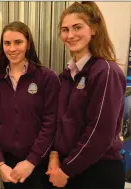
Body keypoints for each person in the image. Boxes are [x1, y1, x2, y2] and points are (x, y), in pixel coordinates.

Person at [47, 2, 126, 188]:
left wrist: (67, 170)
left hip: (98, 171)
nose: (70, 35)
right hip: (70, 167)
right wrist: (55, 155)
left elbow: (100, 132)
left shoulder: (106, 72)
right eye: (65, 30)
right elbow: (60, 121)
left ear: (94, 29)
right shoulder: (66, 75)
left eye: (77, 27)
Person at [0, 21, 60, 189]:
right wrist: (0, 164)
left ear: (28, 44)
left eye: (18, 42)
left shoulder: (47, 78)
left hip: (39, 163)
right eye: (7, 43)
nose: (12, 49)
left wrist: (31, 162)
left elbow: (51, 124)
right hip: (8, 165)